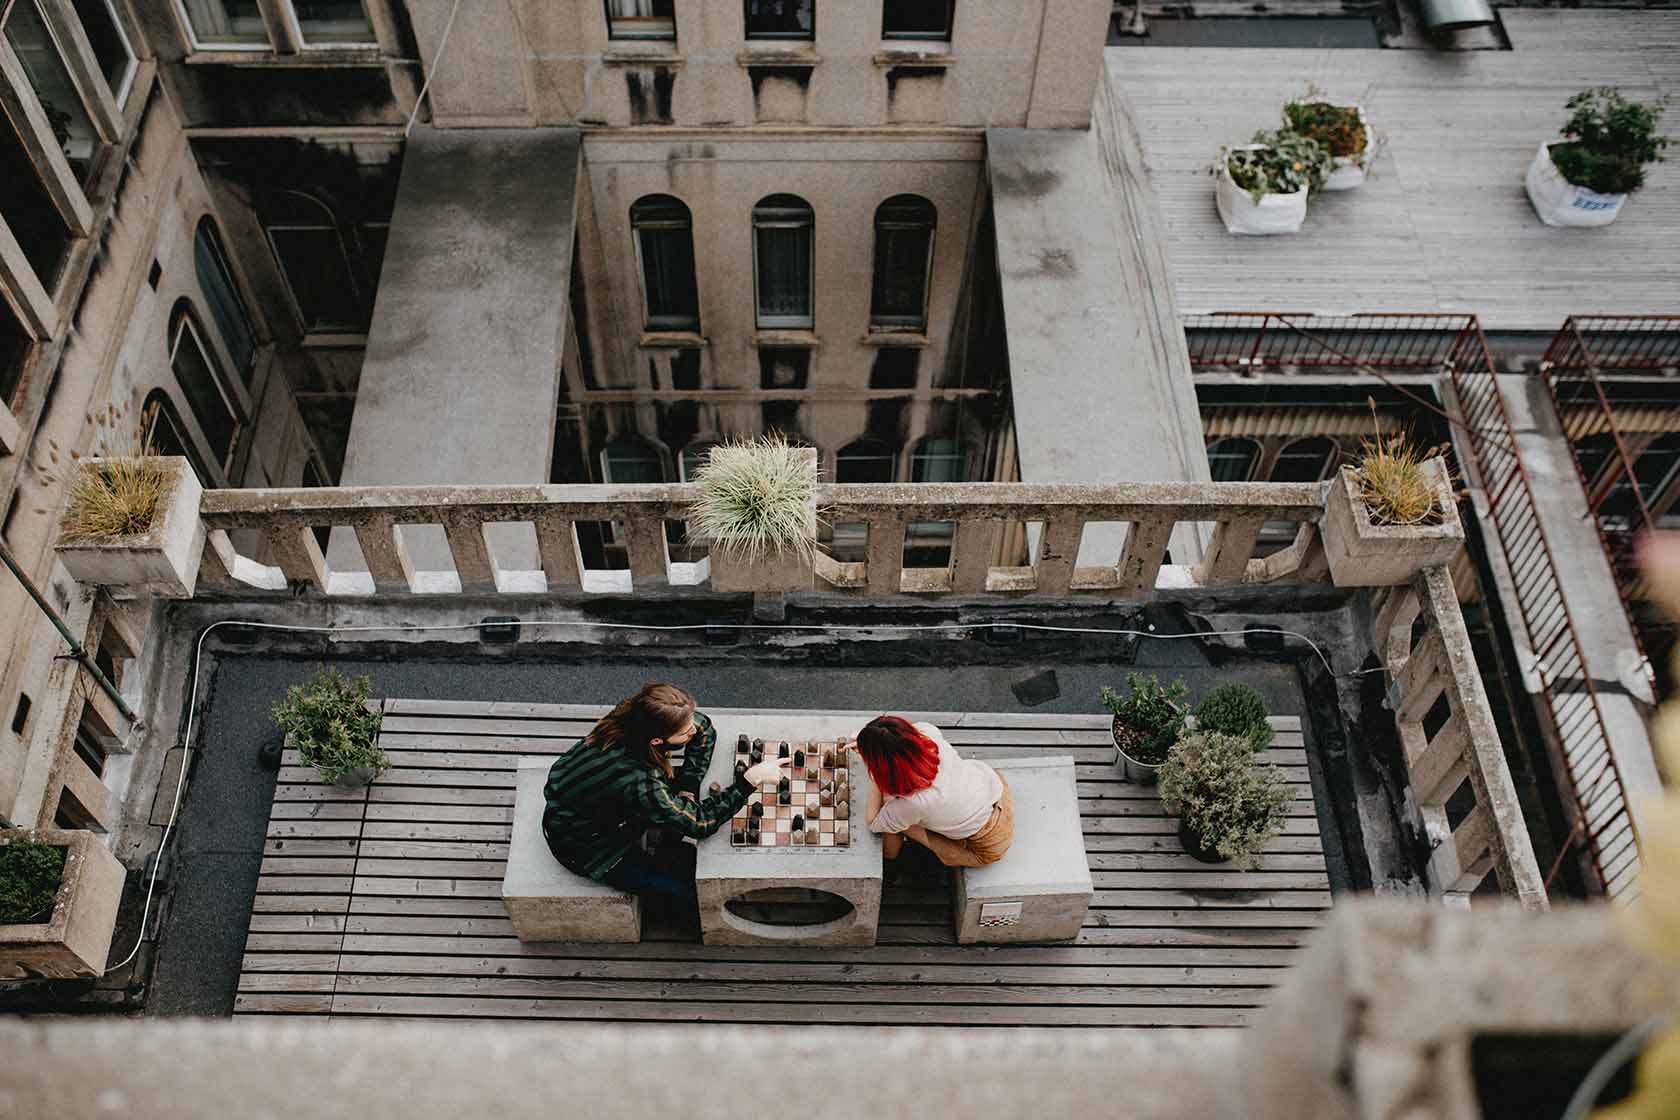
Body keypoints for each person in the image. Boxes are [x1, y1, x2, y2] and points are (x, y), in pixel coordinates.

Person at [542, 683, 786, 905]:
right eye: (684, 733)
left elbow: (704, 730)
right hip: (589, 847)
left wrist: (688, 786)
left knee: (673, 832)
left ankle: (663, 841)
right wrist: (749, 781)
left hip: (598, 801)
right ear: (657, 741)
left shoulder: (632, 716)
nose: (692, 731)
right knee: (689, 897)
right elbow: (700, 823)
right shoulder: (641, 782)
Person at [857, 715, 1014, 868]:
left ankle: (890, 861)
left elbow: (874, 822)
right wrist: (875, 747)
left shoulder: (915, 803)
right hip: (994, 787)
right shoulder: (927, 732)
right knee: (902, 812)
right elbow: (896, 744)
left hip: (990, 841)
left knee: (893, 813)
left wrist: (876, 777)